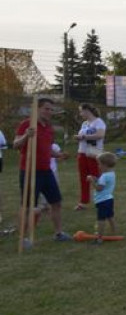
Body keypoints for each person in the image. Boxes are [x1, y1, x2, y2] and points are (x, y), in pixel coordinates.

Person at [13, 98, 71, 247]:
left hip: (46, 171)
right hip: (30, 171)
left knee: (56, 202)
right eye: (46, 108)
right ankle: (23, 238)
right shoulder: (27, 124)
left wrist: (58, 155)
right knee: (27, 206)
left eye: (51, 109)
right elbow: (15, 145)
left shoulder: (48, 127)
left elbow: (47, 149)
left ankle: (58, 233)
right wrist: (27, 135)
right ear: (37, 109)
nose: (49, 112)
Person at [74, 103, 106, 211]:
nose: (80, 113)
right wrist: (79, 138)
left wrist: (83, 136)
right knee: (83, 179)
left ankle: (102, 200)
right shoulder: (84, 123)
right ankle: (83, 202)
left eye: (81, 111)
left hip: (94, 152)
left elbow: (100, 135)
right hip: (82, 153)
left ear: (87, 110)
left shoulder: (99, 122)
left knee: (96, 177)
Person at [86, 151, 118, 244]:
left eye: (99, 164)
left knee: (101, 219)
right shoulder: (112, 174)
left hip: (102, 201)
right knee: (110, 217)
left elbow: (99, 188)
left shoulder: (104, 176)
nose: (98, 166)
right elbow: (104, 183)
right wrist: (96, 179)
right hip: (109, 199)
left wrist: (92, 181)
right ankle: (114, 232)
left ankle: (99, 238)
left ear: (105, 165)